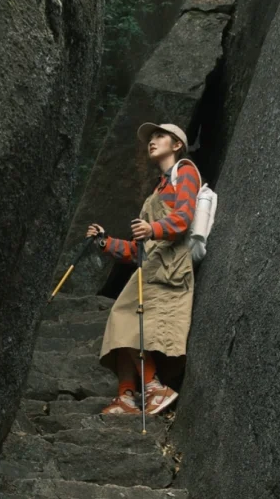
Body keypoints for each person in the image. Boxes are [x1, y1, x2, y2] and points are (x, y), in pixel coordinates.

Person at [86, 122, 201, 417]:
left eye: (160, 136)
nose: (152, 141)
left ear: (177, 144)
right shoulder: (159, 187)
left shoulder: (185, 171)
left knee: (126, 318)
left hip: (170, 266)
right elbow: (138, 250)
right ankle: (127, 396)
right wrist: (105, 242)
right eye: (150, 137)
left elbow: (184, 217)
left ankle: (152, 389)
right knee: (121, 319)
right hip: (152, 264)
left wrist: (153, 228)